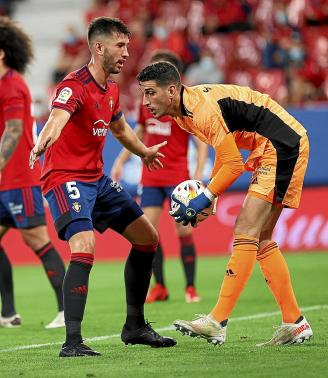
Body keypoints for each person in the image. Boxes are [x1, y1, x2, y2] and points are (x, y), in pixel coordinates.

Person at [136, 61, 313, 346]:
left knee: (246, 229)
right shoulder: (184, 113)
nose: (145, 102)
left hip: (280, 144)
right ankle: (294, 322)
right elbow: (225, 152)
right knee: (262, 237)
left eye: (149, 93)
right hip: (275, 143)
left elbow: (233, 164)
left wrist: (206, 196)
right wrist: (211, 199)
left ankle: (217, 321)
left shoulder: (200, 110)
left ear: (171, 90)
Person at [29, 18, 176, 358]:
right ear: (99, 48)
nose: (127, 52)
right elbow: (57, 118)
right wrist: (42, 143)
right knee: (84, 245)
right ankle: (72, 343)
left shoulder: (110, 89)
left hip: (96, 178)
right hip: (65, 177)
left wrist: (144, 152)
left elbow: (121, 129)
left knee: (147, 238)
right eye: (120, 46)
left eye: (127, 45)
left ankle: (135, 326)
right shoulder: (73, 85)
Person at [111, 50, 208, 304]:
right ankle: (161, 287)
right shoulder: (148, 106)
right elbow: (138, 133)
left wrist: (196, 176)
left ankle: (190, 287)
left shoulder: (183, 107)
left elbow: (200, 142)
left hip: (178, 177)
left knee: (183, 232)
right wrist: (120, 162)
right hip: (151, 178)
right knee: (148, 233)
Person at [0, 17, 65, 329]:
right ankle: (8, 313)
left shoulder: (12, 84)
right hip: (3, 182)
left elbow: (13, 132)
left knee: (37, 240)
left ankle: (67, 310)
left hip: (18, 180)